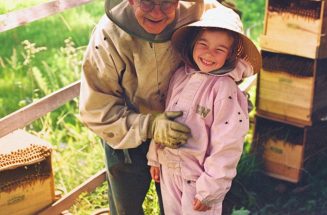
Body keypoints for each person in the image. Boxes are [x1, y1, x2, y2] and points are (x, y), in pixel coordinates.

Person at [79, 0, 223, 214]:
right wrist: (151, 125)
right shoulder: (108, 36)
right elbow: (96, 109)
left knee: (179, 205)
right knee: (126, 206)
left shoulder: (203, 12)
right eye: (147, 3)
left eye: (167, 3)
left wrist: (227, 91)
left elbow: (229, 43)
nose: (157, 12)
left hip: (181, 131)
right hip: (124, 133)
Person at [147, 6, 261, 215]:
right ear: (192, 44)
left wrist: (211, 188)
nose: (209, 53)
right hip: (169, 171)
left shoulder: (224, 89)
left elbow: (228, 143)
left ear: (230, 55)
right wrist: (155, 157)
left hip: (199, 180)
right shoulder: (181, 75)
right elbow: (166, 117)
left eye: (219, 49)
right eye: (203, 44)